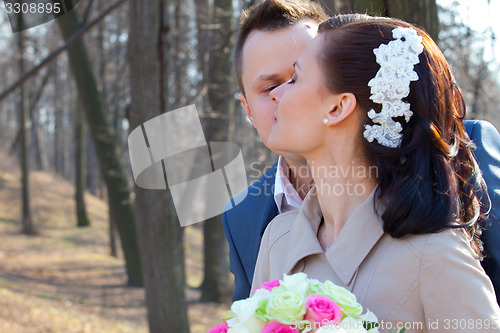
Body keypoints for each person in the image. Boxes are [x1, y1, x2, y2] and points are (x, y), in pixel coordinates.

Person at [224, 0, 500, 303]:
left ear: (342, 98)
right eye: (269, 87)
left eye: (297, 76)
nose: (283, 96)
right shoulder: (257, 226)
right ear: (247, 110)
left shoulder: (459, 156)